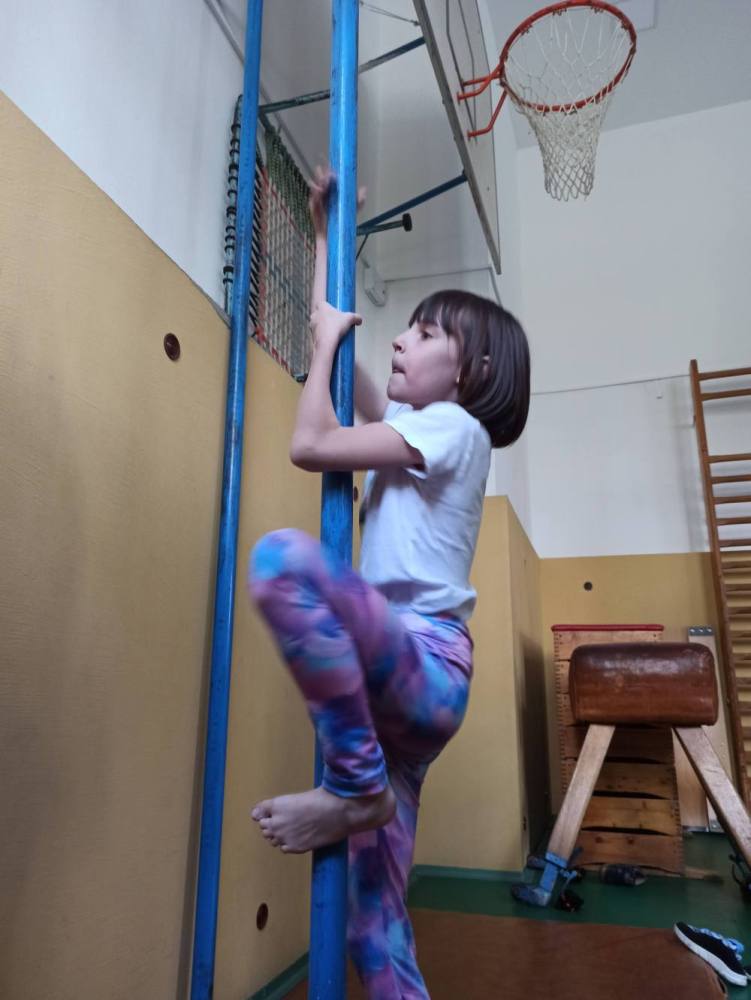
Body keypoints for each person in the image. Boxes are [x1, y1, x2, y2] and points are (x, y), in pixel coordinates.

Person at [247, 168, 531, 999]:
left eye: (424, 332)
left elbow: (311, 443)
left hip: (422, 663)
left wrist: (323, 348)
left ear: (471, 369)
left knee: (283, 561)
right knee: (374, 927)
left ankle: (353, 787)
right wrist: (325, 234)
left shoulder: (455, 429)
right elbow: (338, 341)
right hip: (400, 704)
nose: (400, 339)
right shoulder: (416, 424)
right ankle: (362, 788)